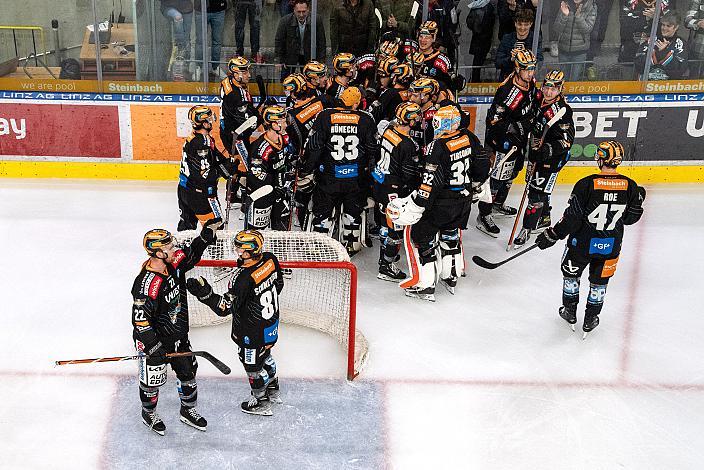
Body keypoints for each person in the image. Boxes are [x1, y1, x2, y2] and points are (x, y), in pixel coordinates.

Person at [535, 140, 646, 338]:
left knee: (571, 276)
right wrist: (638, 202)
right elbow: (630, 219)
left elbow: (572, 219)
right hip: (610, 246)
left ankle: (569, 311)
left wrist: (553, 234)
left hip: (581, 245)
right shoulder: (630, 186)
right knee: (599, 283)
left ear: (601, 158)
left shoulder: (586, 184)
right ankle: (590, 319)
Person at [387, 105, 490, 300]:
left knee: (420, 236)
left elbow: (431, 180)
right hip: (463, 200)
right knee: (450, 235)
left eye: (438, 120)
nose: (435, 124)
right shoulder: (468, 136)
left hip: (442, 203)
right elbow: (483, 162)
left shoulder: (438, 145)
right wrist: (476, 183)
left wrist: (419, 203)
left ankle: (425, 285)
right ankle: (450, 276)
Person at [132, 219, 222, 434]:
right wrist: (153, 347)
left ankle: (188, 411)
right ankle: (149, 412)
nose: (174, 249)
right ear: (158, 253)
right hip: (153, 341)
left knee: (188, 373)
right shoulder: (146, 285)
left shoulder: (173, 262)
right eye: (169, 247)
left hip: (178, 334)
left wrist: (205, 237)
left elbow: (190, 255)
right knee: (152, 381)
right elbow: (140, 321)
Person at [186, 229, 284, 416]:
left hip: (251, 331)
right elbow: (278, 285)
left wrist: (204, 294)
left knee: (252, 366)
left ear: (249, 251)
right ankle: (273, 388)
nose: (237, 251)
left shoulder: (241, 278)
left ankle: (261, 401)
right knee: (266, 355)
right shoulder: (271, 259)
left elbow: (223, 308)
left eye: (240, 248)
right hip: (270, 324)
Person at [297, 86, 378, 255]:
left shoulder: (325, 115)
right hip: (355, 179)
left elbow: (314, 147)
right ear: (356, 104)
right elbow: (372, 149)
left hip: (329, 176)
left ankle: (320, 245)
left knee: (322, 211)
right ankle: (351, 244)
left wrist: (306, 169)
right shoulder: (365, 119)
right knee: (353, 211)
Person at [476, 49, 538, 237]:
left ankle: (498, 204)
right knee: (495, 179)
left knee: (513, 172)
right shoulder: (508, 91)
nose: (531, 73)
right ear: (518, 68)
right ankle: (484, 215)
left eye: (533, 69)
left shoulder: (531, 82)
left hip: (519, 140)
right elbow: (494, 121)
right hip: (501, 141)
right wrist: (516, 127)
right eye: (527, 69)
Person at [513, 70, 575, 247]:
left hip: (553, 159)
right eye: (547, 87)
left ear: (560, 89)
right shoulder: (539, 100)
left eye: (554, 89)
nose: (549, 92)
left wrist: (546, 150)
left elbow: (566, 141)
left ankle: (527, 228)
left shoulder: (563, 112)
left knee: (536, 193)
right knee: (535, 186)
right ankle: (545, 217)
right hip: (536, 153)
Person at [372, 102, 422, 281]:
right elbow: (409, 174)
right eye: (416, 116)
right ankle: (386, 265)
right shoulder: (408, 144)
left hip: (380, 183)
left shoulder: (388, 130)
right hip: (393, 188)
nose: (418, 119)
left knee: (385, 225)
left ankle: (384, 257)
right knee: (395, 229)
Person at [178, 105, 236, 231]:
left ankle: (185, 251)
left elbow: (215, 157)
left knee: (186, 229)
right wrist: (225, 170)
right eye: (209, 119)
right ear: (203, 123)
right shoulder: (201, 145)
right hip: (200, 195)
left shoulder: (198, 138)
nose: (211, 122)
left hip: (185, 189)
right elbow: (205, 175)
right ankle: (215, 251)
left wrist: (227, 163)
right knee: (215, 230)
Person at [246, 105, 296, 231]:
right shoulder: (260, 148)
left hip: (281, 192)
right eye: (283, 121)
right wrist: (274, 184)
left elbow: (287, 160)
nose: (286, 124)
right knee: (257, 231)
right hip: (263, 195)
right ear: (274, 125)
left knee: (281, 231)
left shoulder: (284, 138)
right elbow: (256, 176)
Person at [275, 0, 327, 79]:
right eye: (298, 12)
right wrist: (279, 60)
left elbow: (321, 41)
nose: (301, 15)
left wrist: (322, 60)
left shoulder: (316, 20)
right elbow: (279, 41)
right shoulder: (285, 21)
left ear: (308, 10)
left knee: (310, 80)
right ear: (294, 10)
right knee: (286, 80)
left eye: (304, 11)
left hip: (309, 55)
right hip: (290, 55)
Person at [219, 56, 258, 154]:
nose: (249, 75)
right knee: (242, 161)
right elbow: (247, 121)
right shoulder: (237, 95)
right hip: (235, 134)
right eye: (245, 73)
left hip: (227, 129)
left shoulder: (227, 81)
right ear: (236, 74)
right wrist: (259, 120)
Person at [635, 10, 688, 80]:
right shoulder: (651, 40)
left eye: (668, 26)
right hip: (646, 85)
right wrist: (656, 53)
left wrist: (664, 52)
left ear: (676, 27)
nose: (664, 28)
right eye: (663, 25)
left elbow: (680, 69)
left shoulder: (680, 43)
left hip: (668, 87)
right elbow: (638, 64)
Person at [551, 0, 597, 81]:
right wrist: (565, 15)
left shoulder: (591, 6)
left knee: (574, 80)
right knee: (562, 80)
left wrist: (578, 16)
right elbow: (557, 28)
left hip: (579, 52)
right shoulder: (565, 4)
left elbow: (587, 29)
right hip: (563, 50)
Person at [495, 8, 543, 81]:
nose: (522, 28)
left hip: (527, 81)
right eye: (519, 24)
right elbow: (498, 63)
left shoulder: (535, 39)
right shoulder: (507, 38)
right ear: (515, 23)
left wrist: (525, 57)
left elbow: (539, 62)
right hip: (508, 80)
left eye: (526, 25)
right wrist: (511, 59)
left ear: (531, 24)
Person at [415, 20, 453, 90]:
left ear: (433, 39)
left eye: (427, 37)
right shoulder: (411, 54)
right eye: (421, 36)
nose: (423, 40)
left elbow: (448, 84)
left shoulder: (442, 59)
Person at [194, 0, 227, 80]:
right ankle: (199, 67)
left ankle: (215, 67)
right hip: (201, 9)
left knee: (217, 40)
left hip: (219, 9)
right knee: (200, 41)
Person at [686, 0, 704, 76]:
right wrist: (699, 23)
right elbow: (687, 21)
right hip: (698, 50)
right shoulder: (698, 1)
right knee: (694, 79)